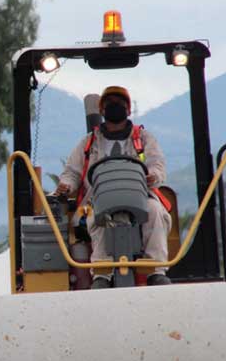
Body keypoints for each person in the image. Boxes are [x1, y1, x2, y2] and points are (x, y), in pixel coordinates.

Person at [54, 85, 173, 289]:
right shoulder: (89, 143)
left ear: (128, 109)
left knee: (154, 211)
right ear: (101, 110)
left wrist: (153, 176)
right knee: (95, 217)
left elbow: (157, 164)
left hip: (141, 197)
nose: (114, 107)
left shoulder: (144, 139)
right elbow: (72, 172)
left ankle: (156, 271)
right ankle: (102, 273)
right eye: (109, 103)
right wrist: (65, 186)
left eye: (119, 103)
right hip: (98, 200)